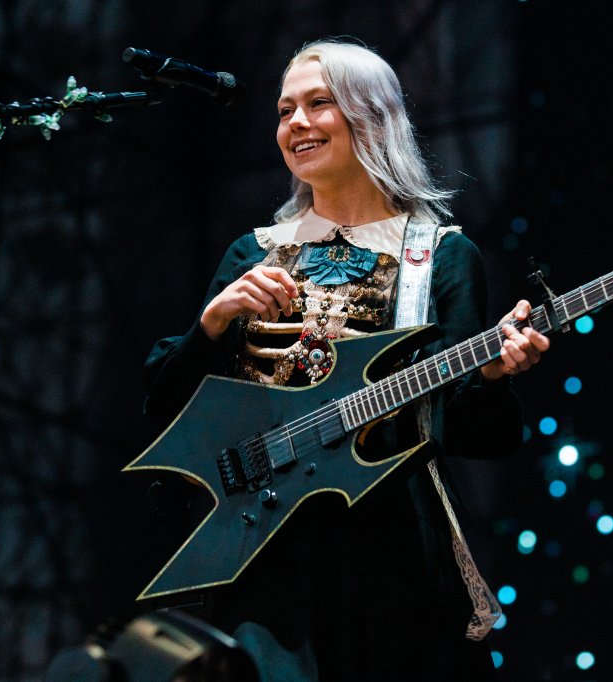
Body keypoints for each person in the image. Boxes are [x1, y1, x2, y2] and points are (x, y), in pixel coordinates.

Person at [140, 37, 550, 682]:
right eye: (284, 111)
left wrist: (492, 375)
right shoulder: (253, 256)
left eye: (318, 104)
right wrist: (210, 325)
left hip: (389, 552)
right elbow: (164, 414)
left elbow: (479, 435)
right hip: (264, 549)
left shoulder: (438, 256)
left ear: (371, 116)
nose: (296, 124)